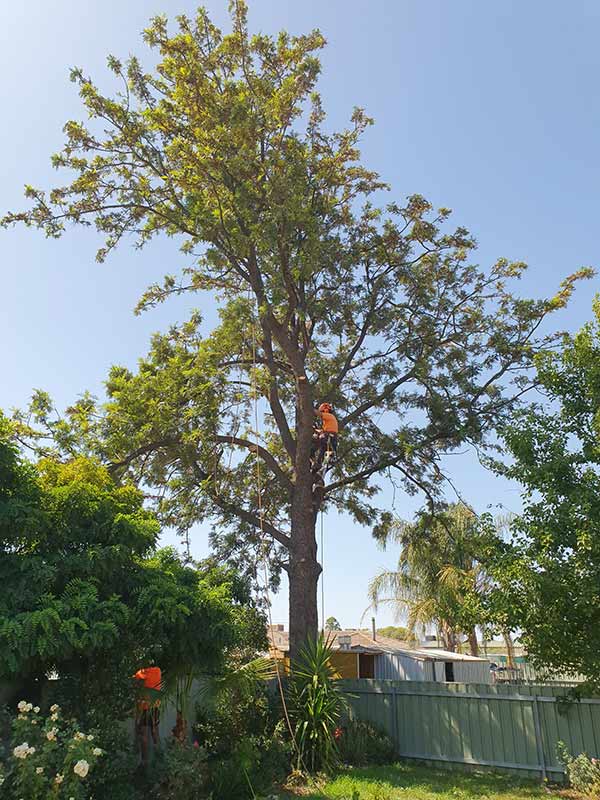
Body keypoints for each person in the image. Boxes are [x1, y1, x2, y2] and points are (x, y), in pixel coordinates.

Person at [133, 664, 162, 763]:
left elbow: (137, 682)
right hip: (153, 707)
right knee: (154, 732)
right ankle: (157, 759)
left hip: (146, 708)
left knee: (146, 734)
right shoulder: (157, 670)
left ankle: (145, 761)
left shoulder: (141, 673)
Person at [311, 402, 338, 473]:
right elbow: (322, 431)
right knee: (321, 456)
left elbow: (318, 413)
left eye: (322, 411)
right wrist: (314, 430)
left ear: (325, 410)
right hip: (329, 439)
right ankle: (316, 467)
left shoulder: (329, 416)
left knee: (312, 445)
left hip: (328, 438)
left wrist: (309, 409)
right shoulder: (327, 422)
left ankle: (316, 463)